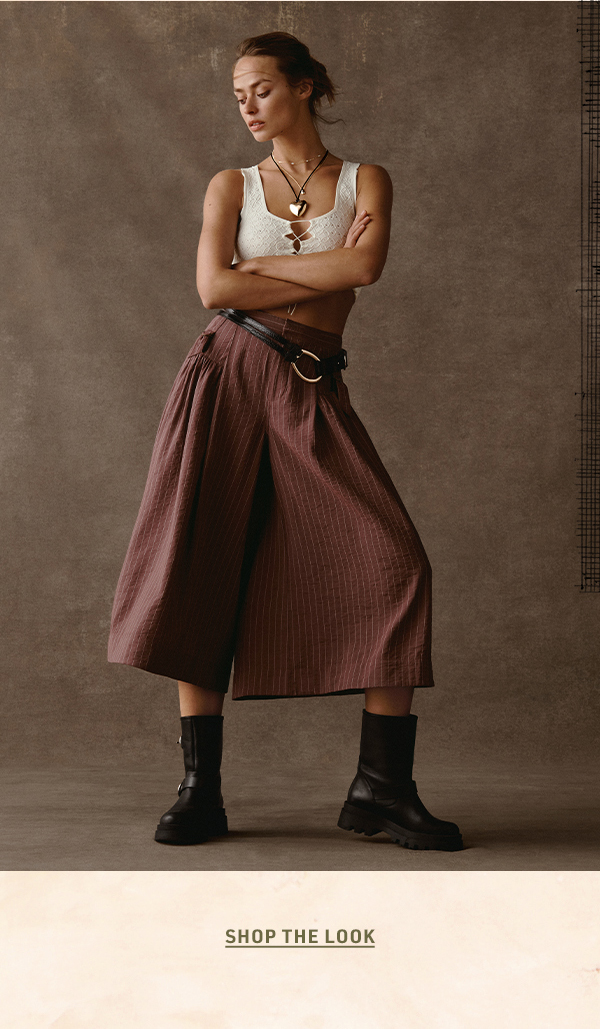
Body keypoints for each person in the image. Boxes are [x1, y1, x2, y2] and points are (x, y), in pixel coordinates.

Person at [107, 31, 463, 852]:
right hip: (229, 373)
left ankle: (380, 788)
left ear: (305, 87)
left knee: (394, 563)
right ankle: (201, 791)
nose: (246, 103)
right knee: (204, 559)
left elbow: (365, 272)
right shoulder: (229, 184)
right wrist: (334, 259)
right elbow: (213, 288)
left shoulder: (366, 178)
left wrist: (318, 265)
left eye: (261, 88)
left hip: (309, 382)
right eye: (238, 92)